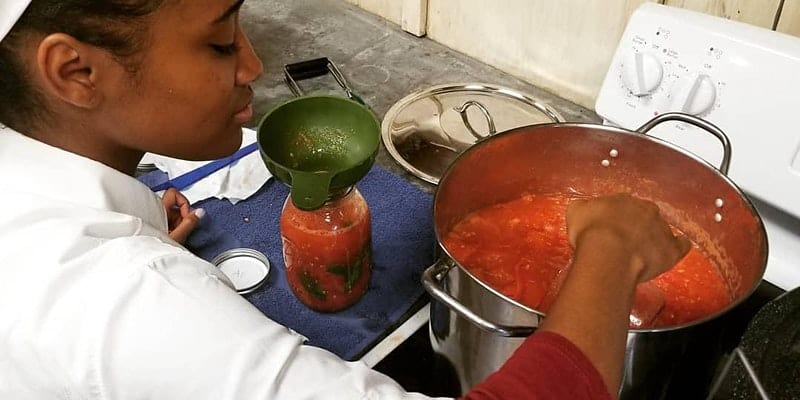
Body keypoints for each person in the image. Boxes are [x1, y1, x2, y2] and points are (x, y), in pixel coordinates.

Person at [0, 1, 690, 399]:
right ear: (76, 71)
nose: (253, 65)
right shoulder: (122, 303)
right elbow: (115, 320)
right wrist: (613, 245)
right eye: (217, 41)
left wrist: (142, 230)